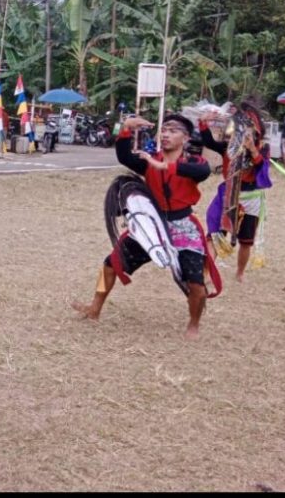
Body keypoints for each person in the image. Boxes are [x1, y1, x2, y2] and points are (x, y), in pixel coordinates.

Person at [71, 114, 215, 340]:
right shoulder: (149, 160)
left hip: (183, 225)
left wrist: (165, 166)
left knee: (196, 284)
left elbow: (203, 173)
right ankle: (94, 309)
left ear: (185, 138)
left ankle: (194, 324)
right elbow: (124, 156)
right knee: (111, 264)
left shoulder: (193, 162)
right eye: (164, 129)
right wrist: (125, 128)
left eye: (173, 130)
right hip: (152, 224)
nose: (166, 134)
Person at [199, 102, 272, 282]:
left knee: (246, 241)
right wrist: (203, 123)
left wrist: (253, 150)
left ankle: (240, 273)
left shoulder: (262, 148)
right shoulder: (228, 146)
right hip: (228, 193)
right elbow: (208, 141)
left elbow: (262, 169)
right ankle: (207, 273)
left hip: (251, 197)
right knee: (215, 234)